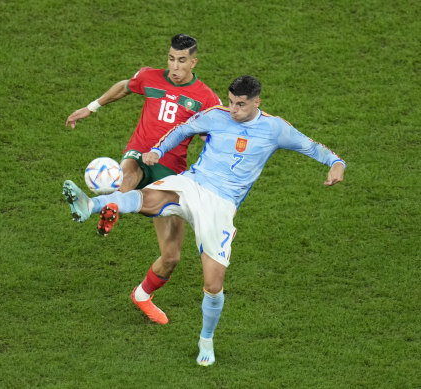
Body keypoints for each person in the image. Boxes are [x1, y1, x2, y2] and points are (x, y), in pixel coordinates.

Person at [62, 75, 346, 366]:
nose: (233, 110)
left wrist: (337, 163)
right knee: (150, 198)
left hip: (221, 206)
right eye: (231, 102)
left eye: (241, 105)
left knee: (213, 284)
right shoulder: (217, 115)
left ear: (257, 102)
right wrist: (159, 150)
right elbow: (183, 129)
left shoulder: (275, 129)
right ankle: (91, 204)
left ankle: (206, 340)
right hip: (192, 184)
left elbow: (313, 147)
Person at [65, 34, 222, 325]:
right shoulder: (150, 77)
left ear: (194, 62)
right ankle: (96, 206)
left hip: (171, 172)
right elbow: (124, 87)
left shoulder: (206, 98)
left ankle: (142, 295)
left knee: (172, 257)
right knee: (128, 173)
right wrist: (91, 107)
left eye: (182, 61)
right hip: (139, 153)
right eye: (171, 59)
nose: (175, 66)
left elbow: (216, 135)